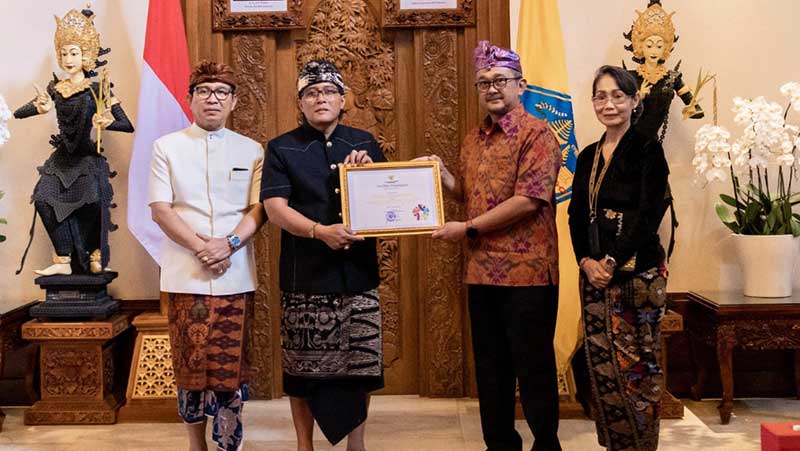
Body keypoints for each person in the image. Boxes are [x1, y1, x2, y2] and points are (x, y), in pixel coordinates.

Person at [424, 41, 562, 451]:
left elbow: (528, 199)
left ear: (521, 84)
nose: (491, 88)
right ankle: (500, 444)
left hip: (529, 274)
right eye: (483, 82)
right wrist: (441, 175)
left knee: (533, 369)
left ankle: (546, 445)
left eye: (500, 80)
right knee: (491, 369)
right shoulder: (473, 138)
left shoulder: (538, 134)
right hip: (481, 271)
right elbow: (468, 193)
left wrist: (467, 229)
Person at [261, 60, 385, 451]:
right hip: (305, 277)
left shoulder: (364, 143)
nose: (321, 99)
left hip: (358, 274)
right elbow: (275, 208)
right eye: (311, 93)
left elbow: (386, 205)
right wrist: (318, 232)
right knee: (301, 371)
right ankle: (304, 444)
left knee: (362, 366)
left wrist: (369, 174)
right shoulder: (281, 147)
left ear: (343, 99)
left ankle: (357, 443)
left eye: (329, 91)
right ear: (300, 102)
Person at [148, 60, 266, 451]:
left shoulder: (252, 150)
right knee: (190, 365)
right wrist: (202, 247)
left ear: (233, 102)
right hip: (187, 273)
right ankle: (195, 445)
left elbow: (258, 209)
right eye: (204, 91)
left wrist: (228, 244)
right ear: (190, 99)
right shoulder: (166, 147)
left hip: (235, 275)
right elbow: (161, 209)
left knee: (230, 368)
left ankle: (230, 442)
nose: (212, 99)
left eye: (221, 93)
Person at [568, 65, 670, 451]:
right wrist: (584, 261)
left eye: (616, 96)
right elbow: (575, 215)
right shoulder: (588, 155)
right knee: (602, 367)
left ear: (633, 101)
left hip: (636, 276)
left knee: (638, 367)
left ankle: (641, 446)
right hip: (593, 277)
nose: (608, 104)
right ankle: (614, 444)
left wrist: (610, 261)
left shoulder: (647, 149)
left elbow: (648, 214)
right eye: (600, 96)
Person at [14, 7, 133, 276]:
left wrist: (107, 123)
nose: (69, 59)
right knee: (43, 199)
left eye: (75, 53)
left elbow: (127, 124)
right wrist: (41, 108)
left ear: (86, 55)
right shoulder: (55, 88)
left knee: (91, 201)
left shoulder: (98, 87)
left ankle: (94, 253)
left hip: (87, 158)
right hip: (61, 159)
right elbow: (19, 113)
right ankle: (63, 259)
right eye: (65, 53)